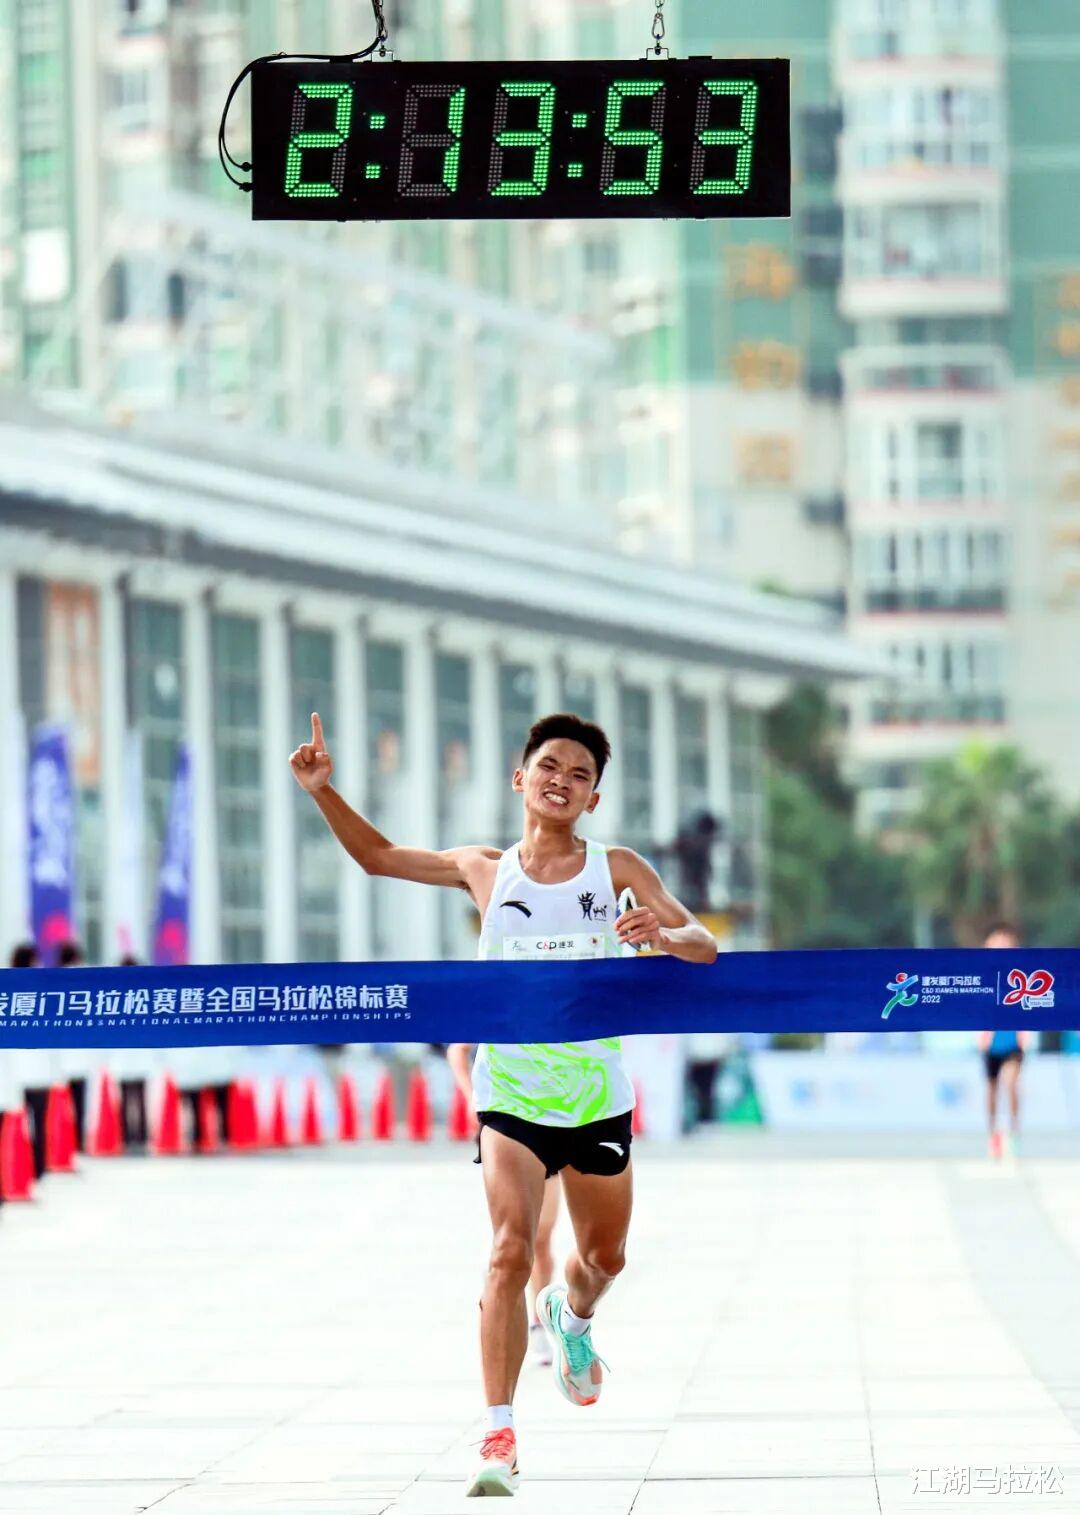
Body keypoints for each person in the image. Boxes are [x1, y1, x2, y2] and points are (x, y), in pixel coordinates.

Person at [290, 709, 718, 1498]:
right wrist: (323, 791)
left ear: (592, 799)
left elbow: (703, 941)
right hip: (511, 1094)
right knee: (509, 1250)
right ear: (521, 779)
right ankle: (498, 1433)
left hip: (593, 1095)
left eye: (580, 775)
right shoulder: (485, 869)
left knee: (605, 1258)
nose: (562, 780)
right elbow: (379, 856)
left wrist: (660, 936)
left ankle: (574, 1318)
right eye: (549, 766)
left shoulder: (616, 868)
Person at [448, 1042, 559, 1368]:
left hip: (554, 1119)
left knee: (542, 1235)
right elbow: (458, 1049)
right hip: (505, 1120)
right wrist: (471, 1098)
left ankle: (539, 1322)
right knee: (514, 1237)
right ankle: (503, 1300)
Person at [978, 923, 1032, 1160]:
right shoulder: (984, 974)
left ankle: (1014, 1134)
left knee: (1011, 1085)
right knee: (991, 1090)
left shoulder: (1020, 974)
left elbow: (1026, 1003)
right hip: (991, 1042)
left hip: (1012, 1041)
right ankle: (993, 1136)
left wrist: (1024, 1034)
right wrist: (982, 1034)